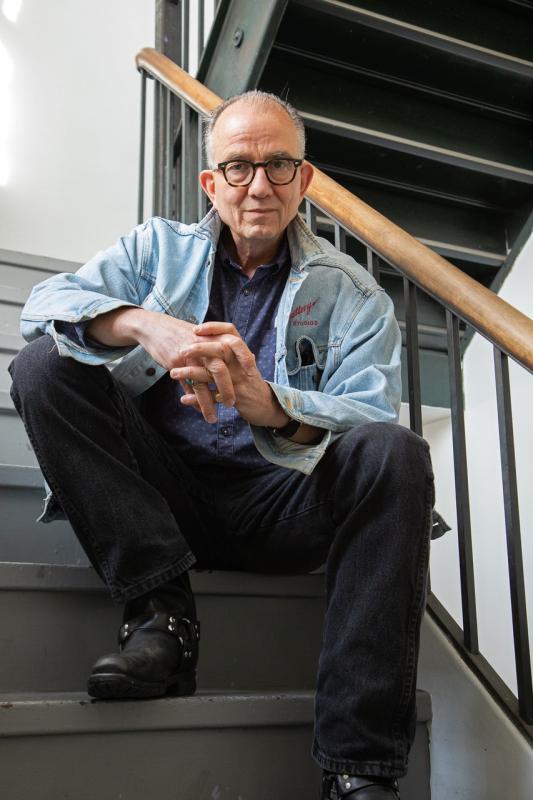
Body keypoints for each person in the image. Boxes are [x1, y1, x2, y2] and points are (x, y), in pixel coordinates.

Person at [9, 90, 434, 799]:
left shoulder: (355, 295)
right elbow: (46, 304)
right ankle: (162, 619)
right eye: (238, 166)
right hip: (162, 504)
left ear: (303, 178)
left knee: (396, 450)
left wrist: (271, 405)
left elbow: (368, 413)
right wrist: (142, 323)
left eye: (278, 165)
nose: (258, 185)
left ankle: (359, 768)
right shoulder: (156, 249)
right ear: (211, 182)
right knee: (43, 365)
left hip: (282, 508)